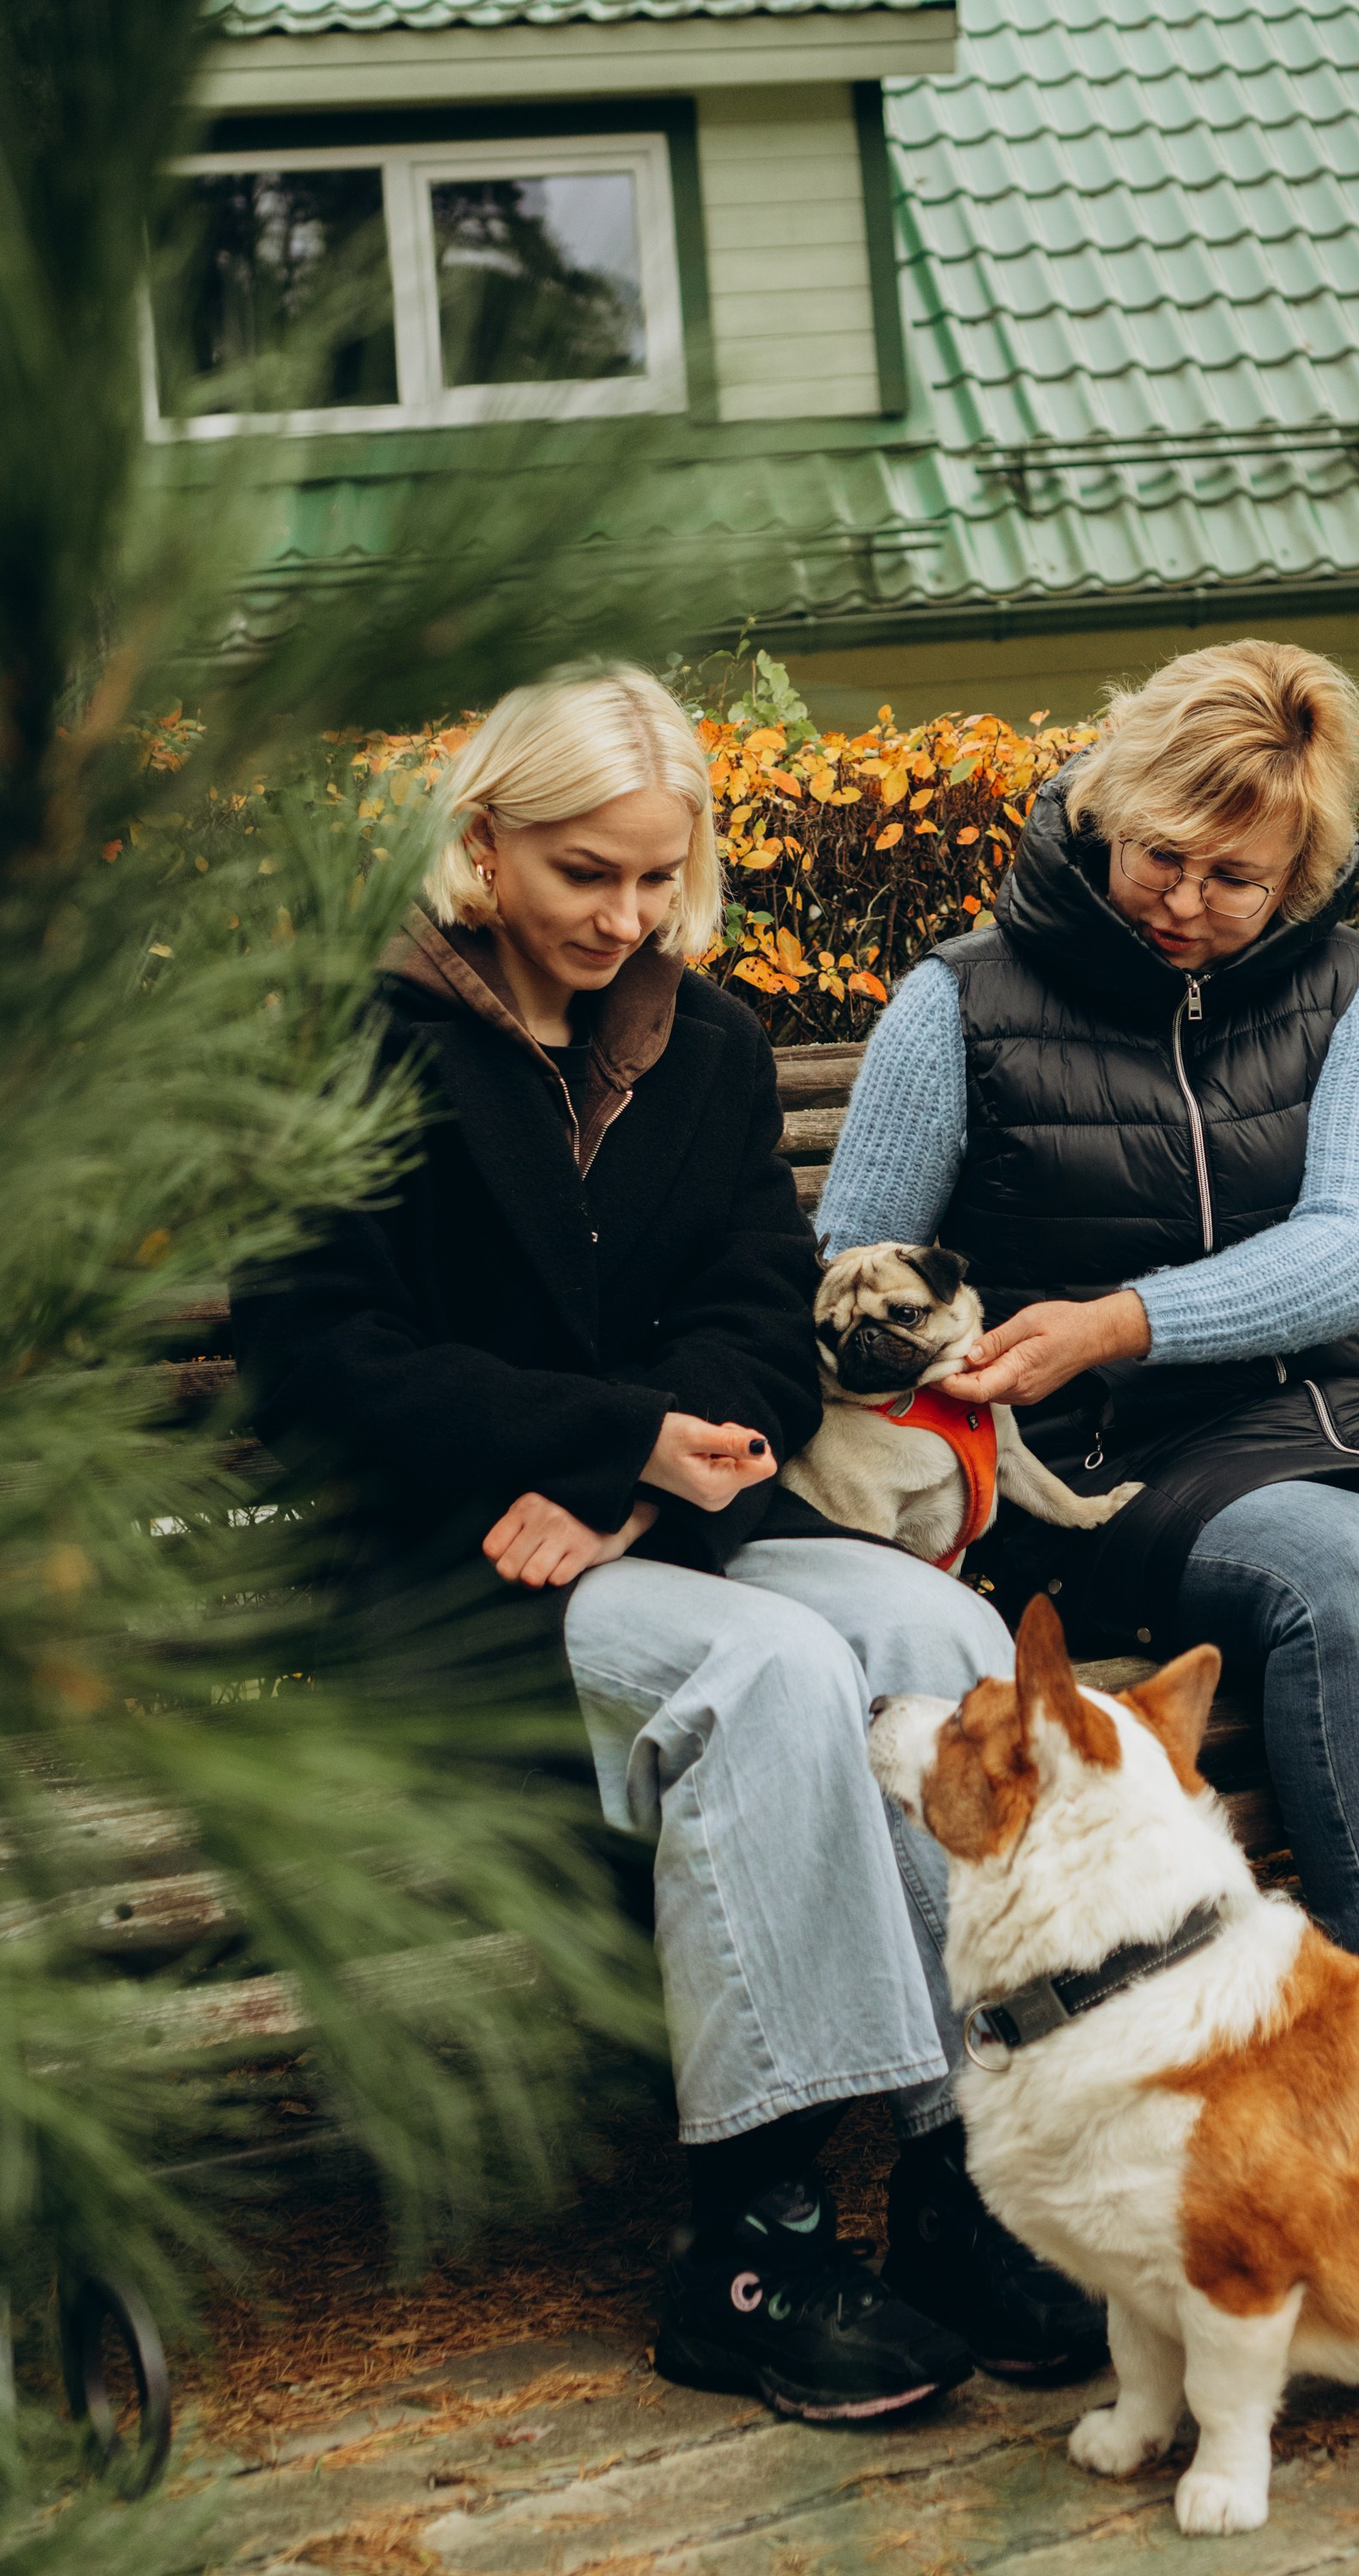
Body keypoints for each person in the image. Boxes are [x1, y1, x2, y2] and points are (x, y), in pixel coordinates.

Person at [231, 668, 1105, 2425]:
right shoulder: (356, 1037)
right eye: (580, 875)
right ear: (483, 844)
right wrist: (595, 1436)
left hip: (656, 1535)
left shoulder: (690, 1041)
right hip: (446, 1578)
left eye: (653, 876)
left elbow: (755, 1319)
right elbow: (317, 1356)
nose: (621, 917)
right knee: (774, 1672)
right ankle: (754, 2248)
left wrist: (643, 1478)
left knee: (939, 1647)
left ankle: (951, 2186)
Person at [819, 641, 1359, 2048]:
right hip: (1100, 1451)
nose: (1188, 901)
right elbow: (846, 1273)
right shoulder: (963, 1002)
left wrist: (1129, 1316)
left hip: (1342, 1397)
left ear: (1296, 875)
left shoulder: (1346, 987)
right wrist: (966, 1386)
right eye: (1164, 856)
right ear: (1107, 809)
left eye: (1236, 879)